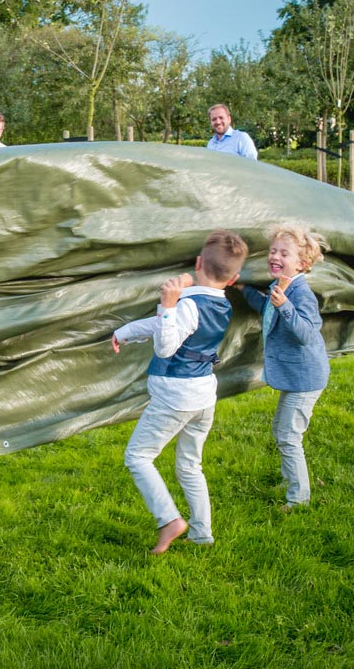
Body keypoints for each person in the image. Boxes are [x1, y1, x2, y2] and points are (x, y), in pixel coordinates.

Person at [112, 230, 249, 554]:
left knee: (138, 456)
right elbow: (169, 326)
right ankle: (202, 532)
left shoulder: (186, 306)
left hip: (177, 395)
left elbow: (166, 345)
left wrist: (167, 304)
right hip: (203, 395)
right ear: (234, 278)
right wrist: (126, 332)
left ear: (198, 262)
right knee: (189, 464)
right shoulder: (220, 303)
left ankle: (169, 520)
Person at [240, 224, 329, 509]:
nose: (275, 256)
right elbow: (266, 306)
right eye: (273, 250)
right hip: (295, 376)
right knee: (281, 429)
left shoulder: (301, 295)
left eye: (284, 253)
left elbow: (305, 334)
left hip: (305, 378)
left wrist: (285, 307)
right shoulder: (280, 287)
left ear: (301, 263)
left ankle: (298, 498)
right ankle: (290, 479)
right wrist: (242, 288)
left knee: (289, 436)